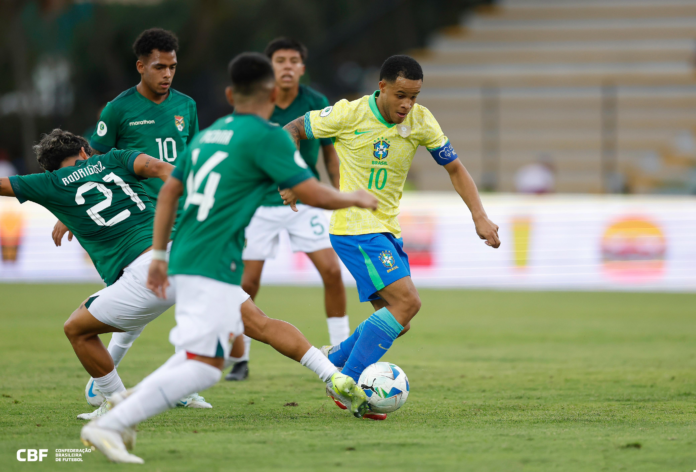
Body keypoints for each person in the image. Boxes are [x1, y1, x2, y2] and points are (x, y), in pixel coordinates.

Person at [80, 52, 380, 464]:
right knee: (203, 367)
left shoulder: (208, 136)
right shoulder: (268, 136)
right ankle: (110, 423)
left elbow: (169, 193)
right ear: (273, 95)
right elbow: (310, 191)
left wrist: (161, 255)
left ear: (228, 95)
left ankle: (117, 416)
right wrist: (354, 197)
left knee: (200, 358)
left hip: (187, 254)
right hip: (212, 262)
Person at [283, 55, 501, 416]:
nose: (407, 104)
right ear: (381, 87)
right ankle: (346, 383)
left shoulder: (421, 120)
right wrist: (292, 178)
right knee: (408, 302)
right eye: (401, 95)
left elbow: (455, 168)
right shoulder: (348, 113)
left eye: (414, 97)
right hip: (355, 228)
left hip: (385, 230)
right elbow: (291, 129)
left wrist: (479, 215)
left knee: (399, 322)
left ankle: (335, 357)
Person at [54, 28, 205, 408]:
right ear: (141, 66)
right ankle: (149, 385)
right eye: (159, 67)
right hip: (140, 218)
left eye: (172, 67)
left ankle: (177, 385)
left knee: (181, 298)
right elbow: (91, 161)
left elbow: (192, 157)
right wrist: (70, 210)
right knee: (158, 297)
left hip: (183, 213)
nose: (167, 74)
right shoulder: (118, 110)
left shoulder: (186, 105)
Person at [0, 129, 184, 418]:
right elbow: (164, 170)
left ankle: (116, 401)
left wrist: (65, 210)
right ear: (84, 151)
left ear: (50, 169)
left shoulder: (51, 183)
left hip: (143, 272)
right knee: (248, 319)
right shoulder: (115, 158)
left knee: (77, 328)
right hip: (182, 252)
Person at [227, 38, 347, 382]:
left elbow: (330, 155)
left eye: (294, 60)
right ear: (270, 67)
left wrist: (338, 196)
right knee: (247, 283)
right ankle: (240, 358)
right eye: (280, 60)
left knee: (332, 272)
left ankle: (342, 353)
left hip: (305, 201)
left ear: (302, 68)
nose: (288, 66)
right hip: (261, 204)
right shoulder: (256, 101)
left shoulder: (316, 102)